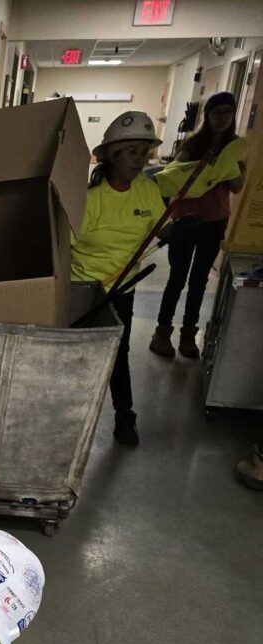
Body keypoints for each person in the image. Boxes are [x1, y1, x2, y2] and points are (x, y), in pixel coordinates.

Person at [71, 111, 166, 447]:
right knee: (77, 355)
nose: (139, 159)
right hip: (81, 288)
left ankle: (125, 415)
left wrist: (179, 231)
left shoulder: (147, 192)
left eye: (144, 151)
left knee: (118, 353)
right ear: (112, 155)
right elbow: (63, 245)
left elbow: (160, 228)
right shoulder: (90, 198)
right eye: (131, 151)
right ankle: (69, 414)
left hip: (123, 288)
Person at [150, 92, 246, 359]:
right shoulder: (192, 145)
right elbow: (173, 180)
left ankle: (188, 335)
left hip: (215, 220)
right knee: (177, 277)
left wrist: (229, 168)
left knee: (199, 280)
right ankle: (162, 332)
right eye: (217, 113)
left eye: (227, 112)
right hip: (186, 219)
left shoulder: (235, 148)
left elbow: (238, 188)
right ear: (208, 116)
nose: (222, 118)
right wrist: (202, 169)